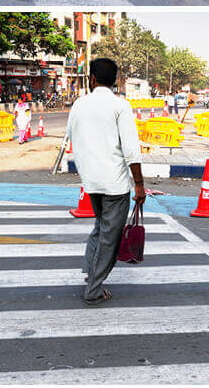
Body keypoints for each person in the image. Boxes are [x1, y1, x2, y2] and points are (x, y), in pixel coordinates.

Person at [66, 58, 144, 306]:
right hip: (115, 185)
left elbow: (71, 135)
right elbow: (132, 150)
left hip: (90, 182)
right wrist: (139, 185)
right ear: (116, 81)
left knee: (100, 228)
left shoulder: (78, 104)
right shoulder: (120, 106)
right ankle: (94, 290)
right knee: (110, 238)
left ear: (92, 79)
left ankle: (90, 274)